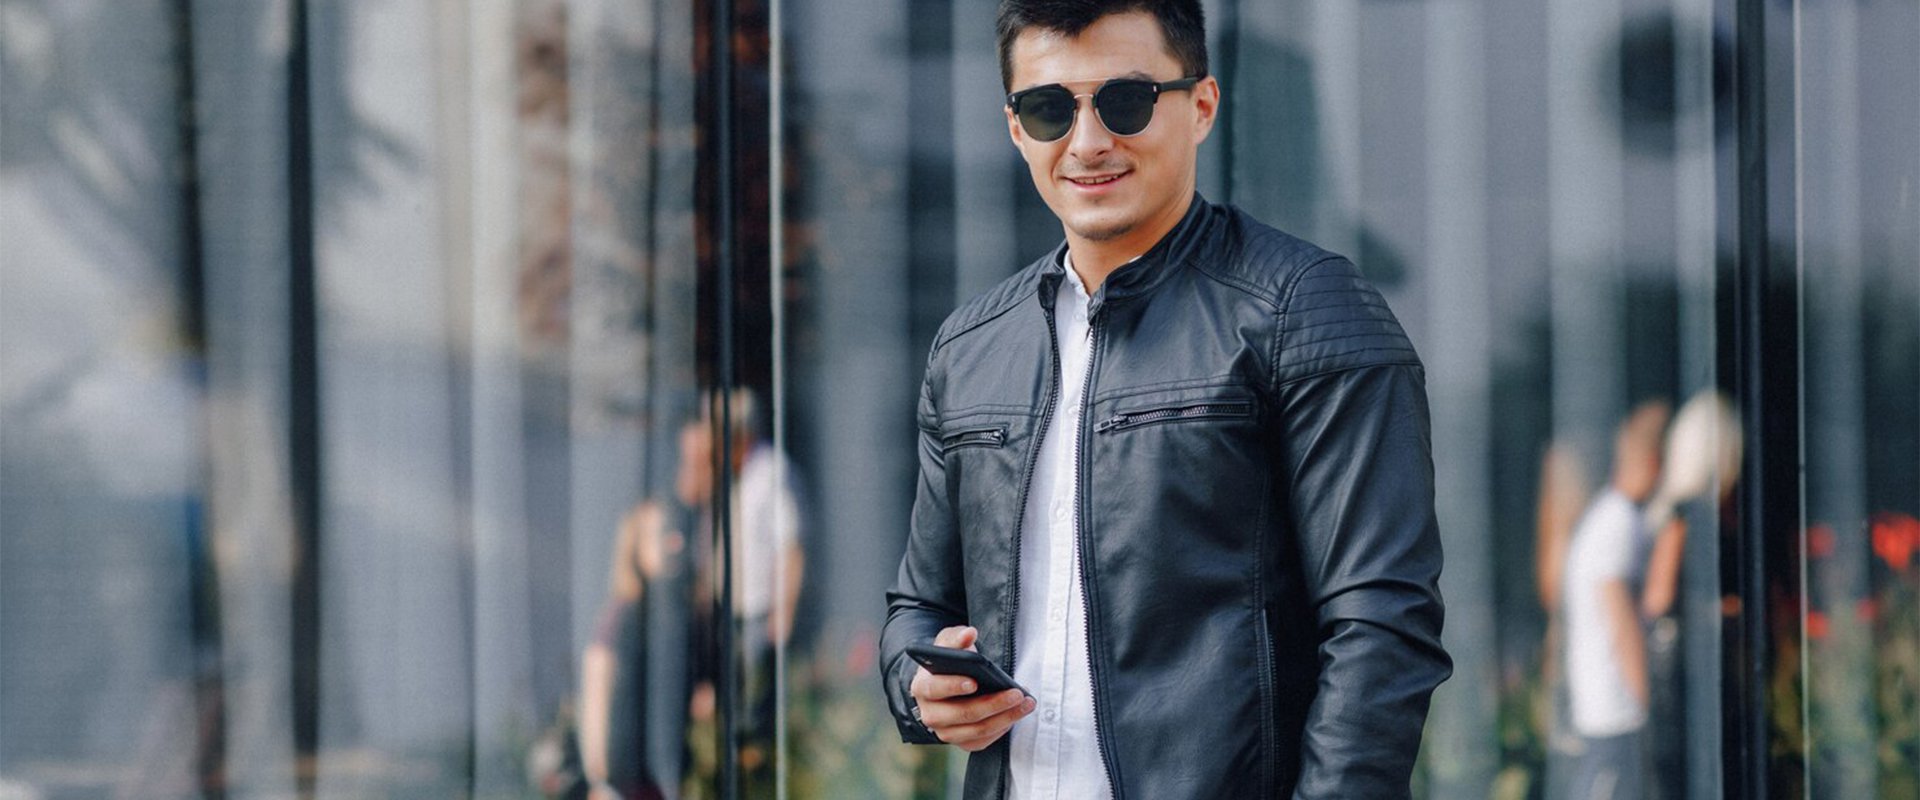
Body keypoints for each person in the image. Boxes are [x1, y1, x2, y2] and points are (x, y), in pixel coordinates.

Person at [877, 2, 1452, 798]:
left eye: (1127, 100)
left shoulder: (1305, 313)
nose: (1087, 142)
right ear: (1015, 128)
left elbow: (1381, 627)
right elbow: (918, 606)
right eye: (1048, 109)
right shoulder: (971, 349)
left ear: (1202, 105)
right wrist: (919, 684)